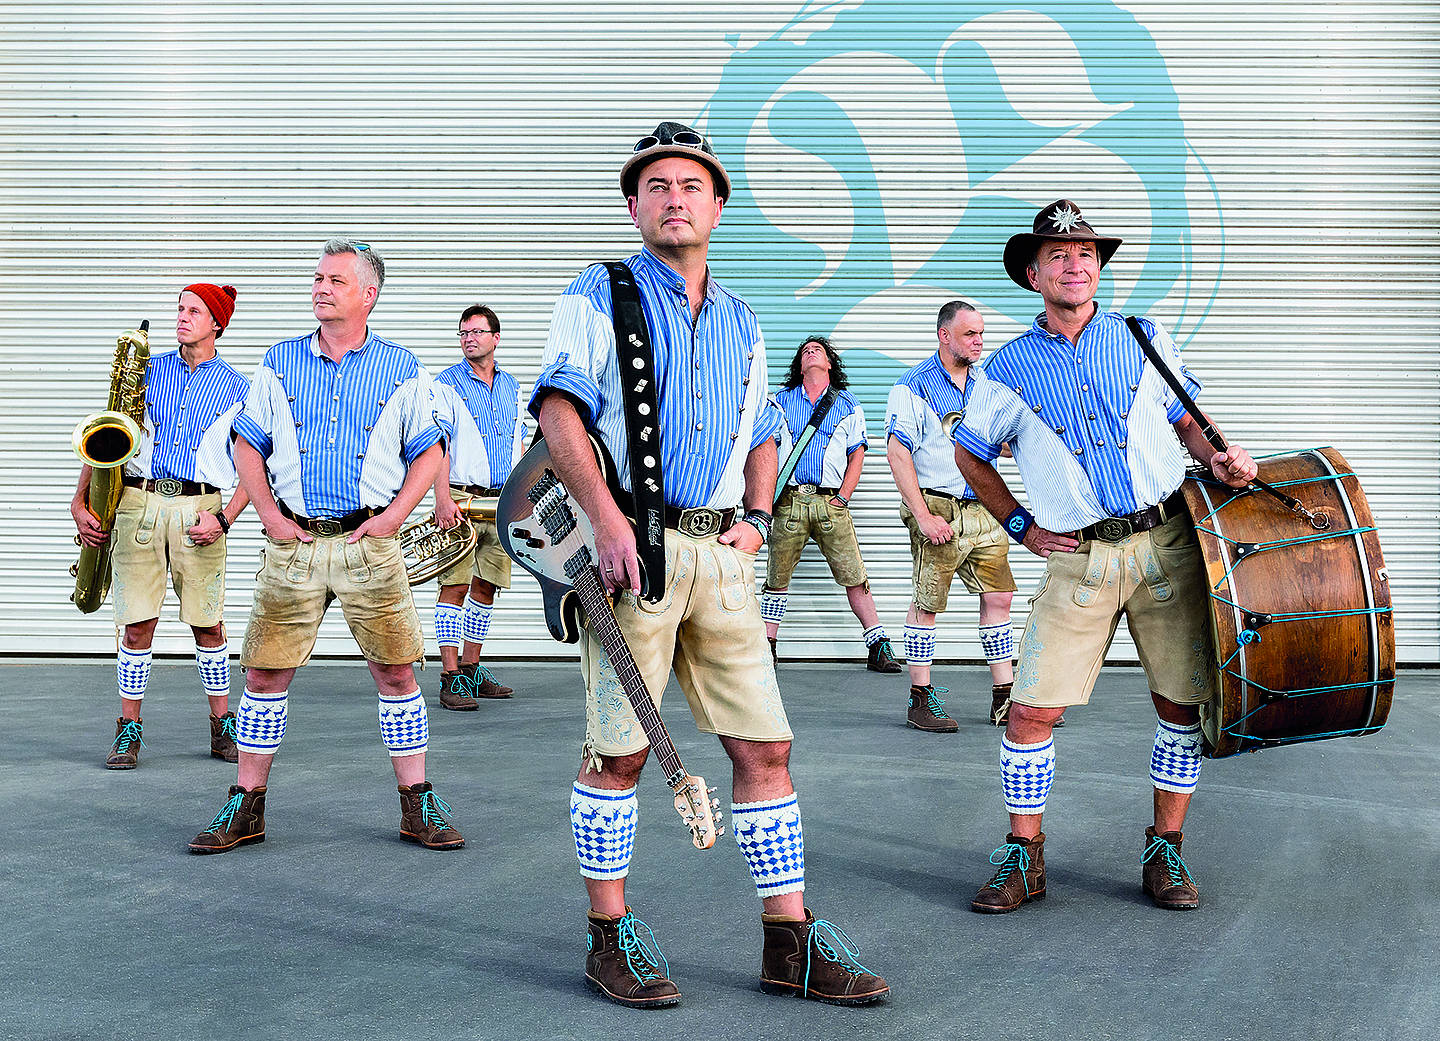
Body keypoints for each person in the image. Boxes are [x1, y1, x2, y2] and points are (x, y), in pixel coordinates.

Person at [531, 121, 888, 1008]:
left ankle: (789, 942)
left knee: (766, 746)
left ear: (718, 206)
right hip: (632, 553)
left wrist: (760, 520)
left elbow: (764, 428)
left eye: (691, 184)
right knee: (618, 755)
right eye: (656, 185)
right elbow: (559, 414)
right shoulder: (598, 290)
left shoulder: (742, 317)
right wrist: (608, 520)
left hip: (722, 554)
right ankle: (608, 936)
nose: (674, 197)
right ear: (634, 205)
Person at [951, 200, 1257, 913]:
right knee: (1029, 711)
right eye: (1058, 254)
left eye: (1086, 252)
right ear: (1033, 274)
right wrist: (1022, 525)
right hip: (1078, 557)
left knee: (1181, 706)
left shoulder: (1143, 338)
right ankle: (1023, 857)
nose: (1075, 263)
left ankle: (1165, 852)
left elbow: (1189, 425)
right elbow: (970, 454)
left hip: (1168, 545)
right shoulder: (1004, 367)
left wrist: (1223, 457)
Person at [187, 238, 464, 854]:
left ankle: (417, 804)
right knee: (263, 674)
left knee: (396, 673)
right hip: (295, 545)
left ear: (369, 295)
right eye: (318, 278)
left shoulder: (401, 367)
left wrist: (392, 518)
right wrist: (270, 517)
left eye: (336, 280)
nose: (321, 287)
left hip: (369, 544)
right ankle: (247, 804)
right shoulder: (279, 362)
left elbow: (428, 452)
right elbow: (247, 446)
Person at [71, 283, 251, 769]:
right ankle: (128, 730)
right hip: (139, 502)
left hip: (200, 508)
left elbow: (258, 464)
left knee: (207, 623)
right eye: (179, 309)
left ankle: (222, 726)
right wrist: (79, 496)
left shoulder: (240, 386)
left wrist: (225, 518)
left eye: (194, 311)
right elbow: (109, 433)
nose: (182, 317)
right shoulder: (147, 372)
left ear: (217, 324)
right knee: (137, 626)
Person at [885, 301, 1020, 734]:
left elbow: (998, 443)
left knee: (999, 597)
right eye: (970, 335)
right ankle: (920, 700)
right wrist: (922, 515)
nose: (979, 342)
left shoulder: (987, 384)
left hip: (983, 506)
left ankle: (1005, 698)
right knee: (928, 605)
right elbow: (897, 450)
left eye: (981, 333)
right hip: (938, 508)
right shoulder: (913, 385)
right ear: (944, 336)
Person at [761, 335, 901, 673]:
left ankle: (878, 645)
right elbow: (764, 451)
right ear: (799, 365)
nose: (810, 353)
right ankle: (766, 648)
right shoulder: (779, 402)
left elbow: (858, 453)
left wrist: (843, 498)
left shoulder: (847, 403)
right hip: (789, 502)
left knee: (854, 574)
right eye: (805, 351)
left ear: (829, 363)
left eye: (818, 350)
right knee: (776, 578)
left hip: (830, 502)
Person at [429, 303, 525, 707]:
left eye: (477, 332)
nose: (469, 338)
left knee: (487, 586)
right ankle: (450, 676)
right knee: (454, 585)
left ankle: (471, 669)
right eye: (463, 332)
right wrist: (442, 499)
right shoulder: (445, 384)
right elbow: (436, 446)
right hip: (462, 501)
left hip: (501, 502)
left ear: (496, 338)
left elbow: (519, 443)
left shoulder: (513, 387)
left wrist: (522, 499)